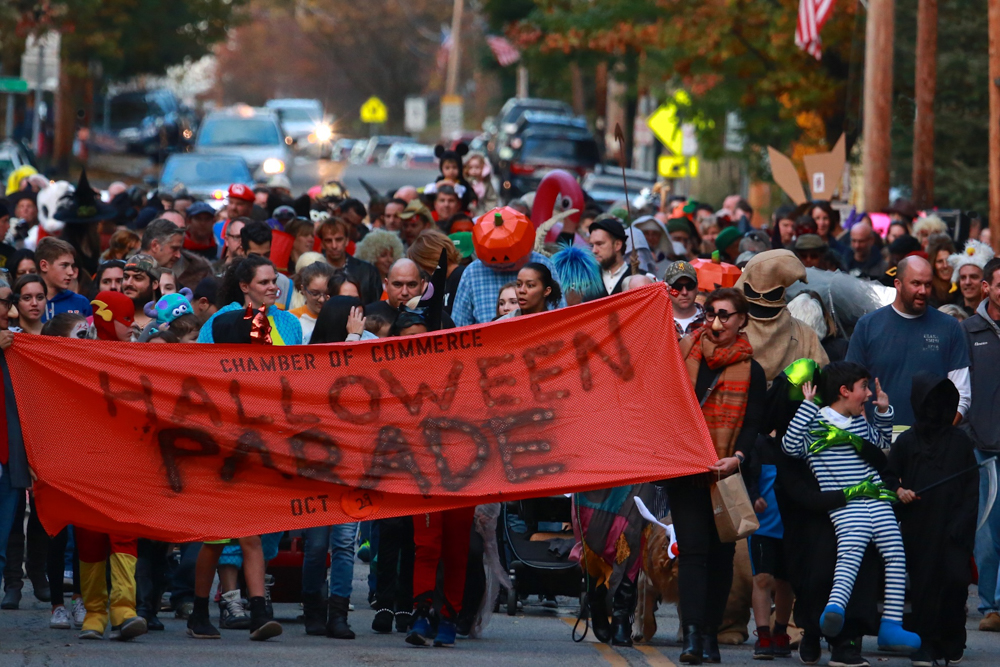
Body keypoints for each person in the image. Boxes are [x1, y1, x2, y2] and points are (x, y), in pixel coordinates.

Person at [783, 362, 920, 654]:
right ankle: (834, 609)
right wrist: (807, 407)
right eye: (863, 388)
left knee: (896, 555)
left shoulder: (859, 421)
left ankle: (891, 626)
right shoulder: (815, 423)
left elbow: (881, 443)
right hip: (846, 503)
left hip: (878, 498)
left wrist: (883, 412)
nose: (869, 394)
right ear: (844, 391)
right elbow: (790, 446)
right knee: (851, 553)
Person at [665, 288, 766, 664]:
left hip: (726, 474)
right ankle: (692, 636)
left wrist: (736, 457)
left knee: (722, 555)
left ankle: (710, 635)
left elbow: (753, 422)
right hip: (687, 469)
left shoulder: (752, 369)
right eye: (711, 314)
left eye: (725, 315)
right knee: (693, 552)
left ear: (742, 320)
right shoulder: (684, 353)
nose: (716, 322)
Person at [186, 308, 284, 643]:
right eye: (255, 333)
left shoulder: (261, 373)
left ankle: (258, 613)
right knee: (214, 542)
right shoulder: (211, 375)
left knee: (252, 537)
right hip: (218, 470)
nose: (262, 338)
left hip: (251, 465)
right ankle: (199, 612)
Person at [888, 373, 978, 666]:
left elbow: (971, 488)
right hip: (919, 525)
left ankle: (952, 639)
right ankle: (925, 642)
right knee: (924, 586)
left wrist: (962, 524)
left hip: (954, 528)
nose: (934, 408)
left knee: (955, 581)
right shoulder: (906, 441)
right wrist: (900, 491)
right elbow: (888, 477)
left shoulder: (960, 441)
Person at [846, 255, 970, 427]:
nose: (923, 291)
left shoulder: (949, 327)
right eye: (916, 283)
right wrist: (868, 438)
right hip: (880, 440)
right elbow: (852, 387)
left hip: (933, 444)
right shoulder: (868, 326)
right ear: (898, 284)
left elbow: (962, 394)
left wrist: (941, 437)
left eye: (928, 284)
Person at [962, 256, 1000, 633]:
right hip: (983, 447)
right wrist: (971, 432)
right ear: (987, 288)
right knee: (987, 533)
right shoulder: (969, 331)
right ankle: (990, 606)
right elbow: (961, 388)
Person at [197, 255, 302, 345]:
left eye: (274, 281)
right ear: (244, 287)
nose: (273, 287)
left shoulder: (290, 321)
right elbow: (204, 358)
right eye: (264, 282)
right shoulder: (221, 320)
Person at [316, 217, 382, 304]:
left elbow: (376, 306)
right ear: (322, 244)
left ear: (347, 240)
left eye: (339, 239)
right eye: (328, 241)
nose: (334, 245)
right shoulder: (315, 271)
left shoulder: (368, 271)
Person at [143, 217, 212, 291]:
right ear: (155, 245)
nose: (178, 255)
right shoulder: (130, 273)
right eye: (174, 248)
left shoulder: (199, 271)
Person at [240, 221, 293, 310]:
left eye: (266, 255)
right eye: (255, 256)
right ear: (242, 252)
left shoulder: (284, 283)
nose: (261, 261)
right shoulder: (229, 282)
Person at [407, 229, 464, 311]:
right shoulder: (438, 283)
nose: (422, 269)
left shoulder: (462, 277)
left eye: (420, 264)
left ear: (426, 260)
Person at [36, 237, 92, 322]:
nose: (71, 272)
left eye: (72, 266)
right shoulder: (28, 303)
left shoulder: (81, 303)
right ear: (44, 266)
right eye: (64, 265)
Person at [290, 262, 336, 343]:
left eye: (327, 293)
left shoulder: (340, 318)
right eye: (315, 293)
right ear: (303, 290)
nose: (322, 299)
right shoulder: (291, 319)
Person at [495, 263, 561, 318]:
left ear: (546, 291)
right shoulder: (502, 324)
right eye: (518, 284)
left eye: (530, 285)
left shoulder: (558, 325)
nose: (521, 290)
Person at [589, 217, 634, 296]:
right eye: (592, 245)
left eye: (599, 244)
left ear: (617, 245)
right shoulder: (587, 281)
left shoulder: (642, 278)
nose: (594, 250)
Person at [949, 239, 994, 317]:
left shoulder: (995, 314)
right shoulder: (951, 314)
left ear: (986, 281)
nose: (967, 282)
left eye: (974, 277)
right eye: (963, 277)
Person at [664, 261, 704, 339]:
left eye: (690, 286)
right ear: (667, 289)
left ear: (697, 288)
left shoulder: (710, 319)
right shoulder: (657, 321)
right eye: (677, 287)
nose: (684, 292)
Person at [122, 254, 160, 331]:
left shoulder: (167, 319)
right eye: (126, 277)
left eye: (138, 278)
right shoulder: (113, 318)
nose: (128, 283)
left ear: (154, 284)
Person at [927, 235, 957, 308]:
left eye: (948, 260)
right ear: (933, 265)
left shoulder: (962, 287)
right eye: (940, 261)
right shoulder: (929, 291)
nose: (945, 265)